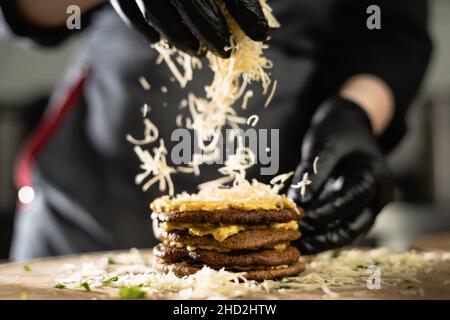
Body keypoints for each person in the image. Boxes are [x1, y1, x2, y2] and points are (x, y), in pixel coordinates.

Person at [0, 0, 432, 260]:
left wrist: (356, 115)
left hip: (290, 215)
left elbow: (390, 34)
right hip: (87, 207)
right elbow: (27, 13)